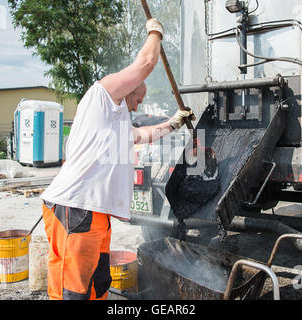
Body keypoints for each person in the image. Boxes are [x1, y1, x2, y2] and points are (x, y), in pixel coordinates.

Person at [40, 18, 195, 300]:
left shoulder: (113, 122)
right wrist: (156, 31)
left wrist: (173, 124)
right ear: (128, 89)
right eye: (139, 97)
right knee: (73, 290)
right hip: (76, 208)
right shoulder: (103, 94)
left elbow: (140, 135)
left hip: (94, 213)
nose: (139, 105)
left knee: (98, 283)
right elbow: (146, 64)